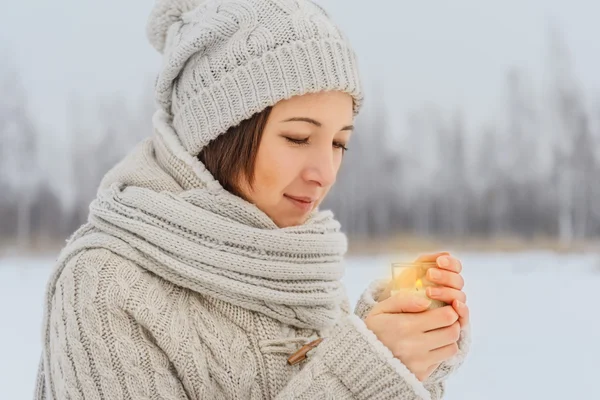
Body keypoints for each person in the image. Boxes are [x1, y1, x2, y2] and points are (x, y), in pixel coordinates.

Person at [34, 0, 471, 399]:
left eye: (339, 143)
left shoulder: (300, 269)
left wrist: (407, 358)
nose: (324, 174)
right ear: (220, 132)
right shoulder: (104, 284)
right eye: (298, 137)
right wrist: (360, 374)